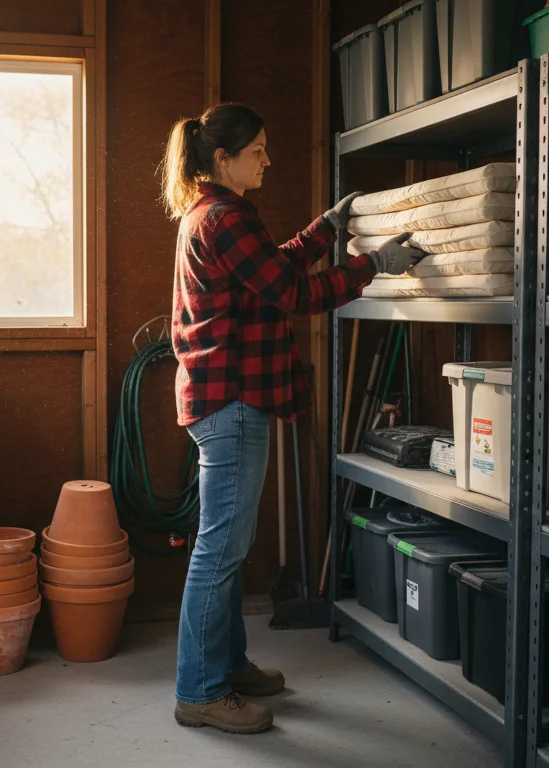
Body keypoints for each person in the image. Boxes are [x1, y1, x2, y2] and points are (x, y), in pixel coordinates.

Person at [162, 102, 423, 734]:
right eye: (257, 151)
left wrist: (326, 229)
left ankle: (227, 667)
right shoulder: (223, 218)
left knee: (225, 545)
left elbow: (272, 268)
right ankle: (199, 691)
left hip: (222, 398)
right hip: (233, 402)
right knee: (219, 551)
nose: (268, 160)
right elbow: (296, 292)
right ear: (222, 158)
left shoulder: (215, 214)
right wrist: (373, 265)